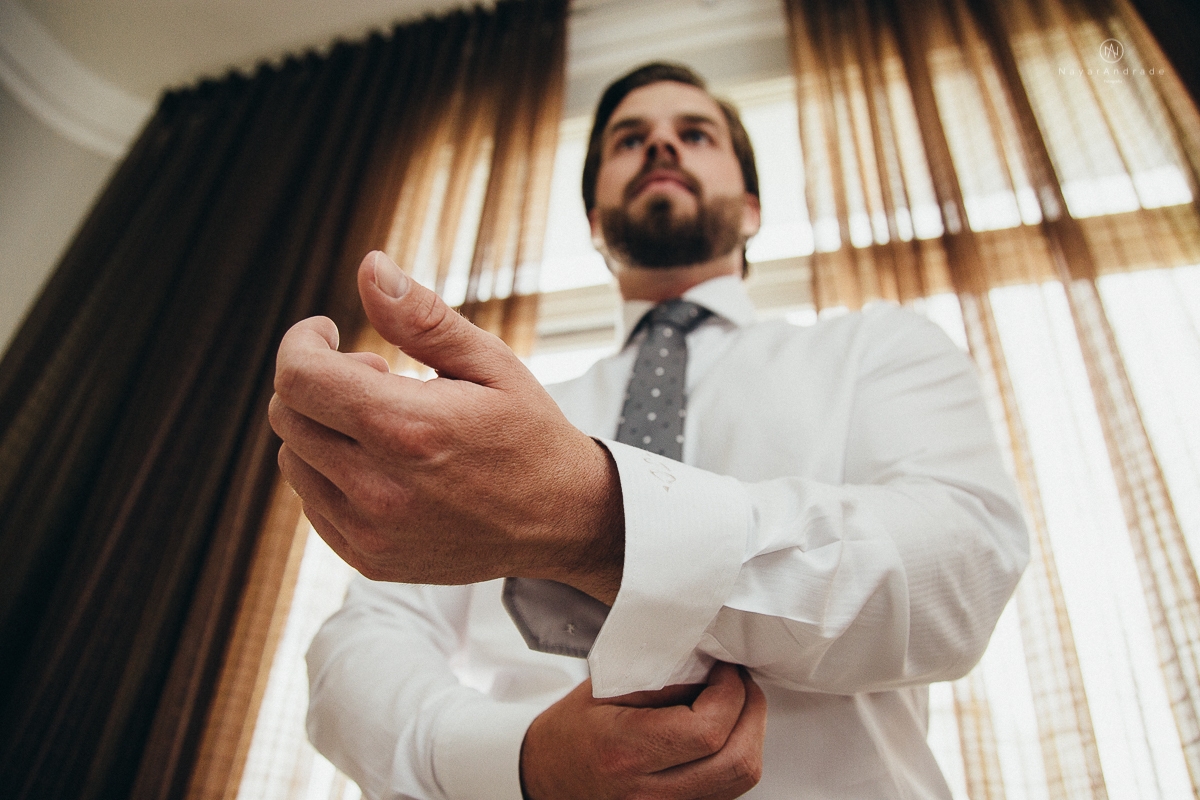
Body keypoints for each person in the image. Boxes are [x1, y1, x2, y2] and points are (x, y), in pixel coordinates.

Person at [270, 62, 1029, 799]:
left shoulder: (876, 350)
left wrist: (598, 518)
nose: (662, 146)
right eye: (629, 141)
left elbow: (960, 569)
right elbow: (354, 647)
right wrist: (520, 764)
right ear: (597, 223)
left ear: (752, 208)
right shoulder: (497, 422)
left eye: (695, 134)